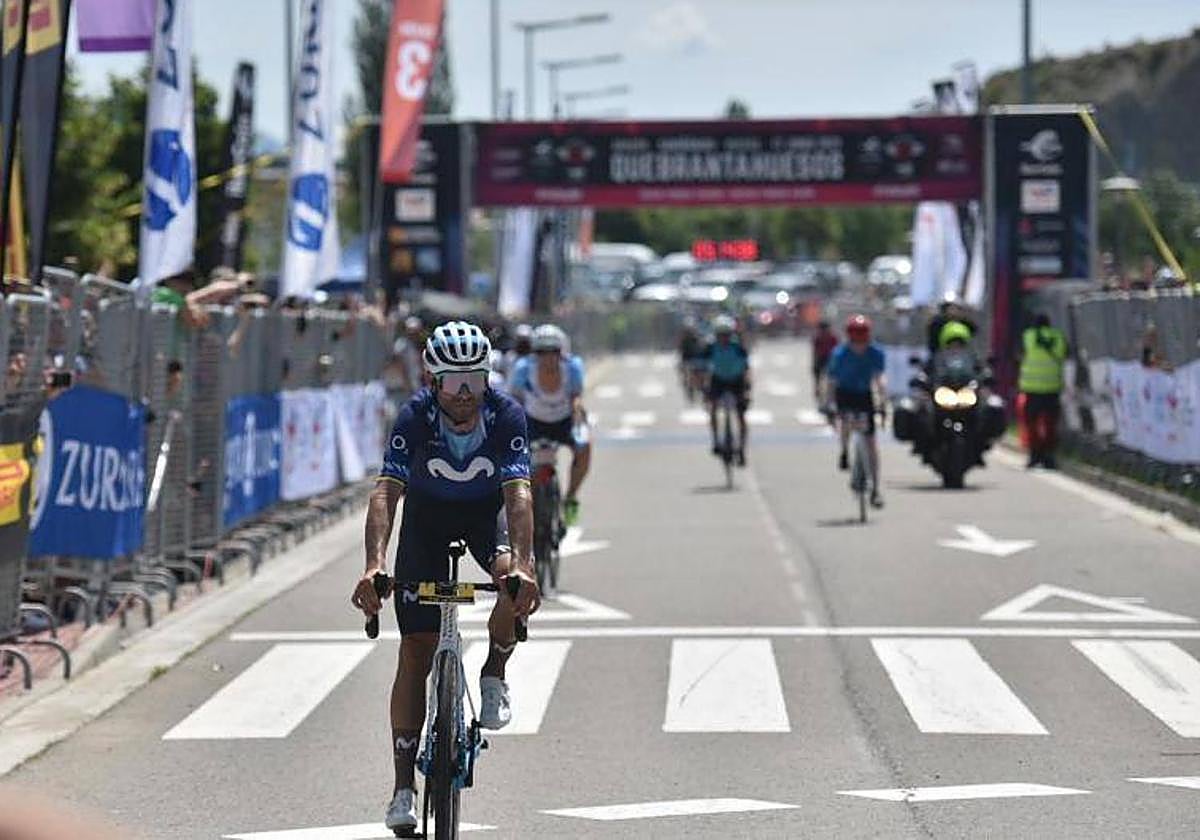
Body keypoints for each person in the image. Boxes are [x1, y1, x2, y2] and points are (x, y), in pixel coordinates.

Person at [352, 321, 540, 833]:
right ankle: (402, 788)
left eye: (475, 382)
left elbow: (519, 495)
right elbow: (387, 491)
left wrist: (523, 563)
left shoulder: (506, 416)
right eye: (454, 383)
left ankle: (495, 670)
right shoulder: (413, 416)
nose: (465, 395)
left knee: (513, 582)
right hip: (427, 524)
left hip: (485, 517)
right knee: (415, 651)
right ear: (433, 381)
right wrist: (375, 563)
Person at [509, 324, 591, 527]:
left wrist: (578, 413)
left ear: (561, 352)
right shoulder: (523, 369)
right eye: (541, 352)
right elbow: (514, 399)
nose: (548, 357)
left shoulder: (572, 368)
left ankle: (570, 497)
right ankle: (530, 508)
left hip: (563, 420)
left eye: (553, 351)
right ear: (535, 354)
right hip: (533, 421)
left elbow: (576, 396)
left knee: (585, 447)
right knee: (525, 468)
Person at [826, 314, 887, 508]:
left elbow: (879, 379)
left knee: (871, 442)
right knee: (845, 421)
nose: (859, 344)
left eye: (863, 338)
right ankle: (844, 450)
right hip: (845, 393)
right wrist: (829, 403)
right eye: (856, 339)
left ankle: (875, 487)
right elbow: (831, 381)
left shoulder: (875, 353)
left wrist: (883, 401)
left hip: (864, 395)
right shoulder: (839, 354)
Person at [1018, 313, 1067, 469]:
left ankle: (1034, 455)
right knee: (1050, 424)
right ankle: (1049, 456)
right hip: (1052, 387)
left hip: (1031, 388)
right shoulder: (1058, 337)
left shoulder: (1028, 336)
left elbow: (1019, 354)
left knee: (1031, 424)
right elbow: (1064, 355)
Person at [703, 314, 751, 466]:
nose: (723, 338)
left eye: (726, 335)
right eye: (720, 335)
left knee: (741, 415)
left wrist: (747, 388)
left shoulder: (738, 348)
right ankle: (716, 440)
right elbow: (702, 367)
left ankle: (742, 449)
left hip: (736, 380)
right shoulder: (711, 347)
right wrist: (704, 386)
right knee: (713, 409)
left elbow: (747, 369)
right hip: (718, 380)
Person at [925, 292, 978, 357]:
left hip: (962, 358)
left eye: (955, 308)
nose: (952, 311)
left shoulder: (965, 322)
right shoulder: (937, 323)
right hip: (940, 358)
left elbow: (974, 331)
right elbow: (932, 344)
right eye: (950, 308)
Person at [678, 318, 707, 402]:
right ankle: (689, 387)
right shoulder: (682, 339)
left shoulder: (696, 338)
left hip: (693, 359)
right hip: (686, 359)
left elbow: (699, 348)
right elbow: (680, 349)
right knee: (685, 373)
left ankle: (698, 388)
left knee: (698, 374)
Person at [811, 319, 838, 401]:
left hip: (830, 358)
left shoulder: (832, 337)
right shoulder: (818, 337)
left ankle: (829, 392)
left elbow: (837, 349)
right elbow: (815, 350)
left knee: (831, 377)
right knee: (818, 375)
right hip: (821, 358)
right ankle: (818, 389)